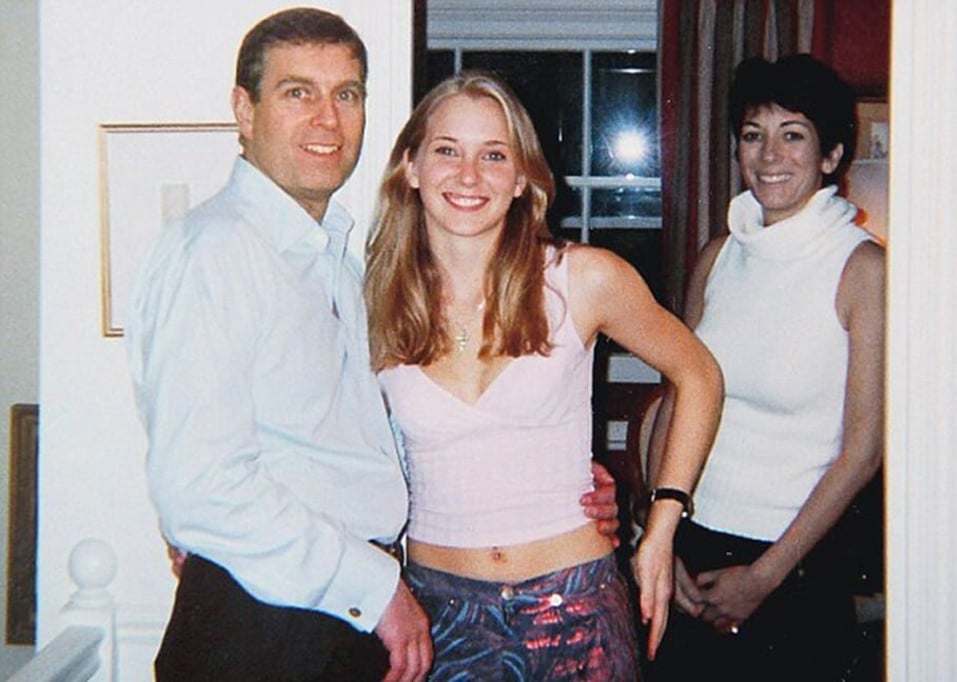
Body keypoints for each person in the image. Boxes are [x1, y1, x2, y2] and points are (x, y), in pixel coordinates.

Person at [125, 10, 622, 681]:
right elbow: (200, 486)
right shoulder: (215, 252)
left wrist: (545, 477)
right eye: (298, 92)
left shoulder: (342, 263)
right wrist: (376, 586)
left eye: (347, 94)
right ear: (244, 110)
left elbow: (363, 443)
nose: (327, 119)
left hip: (345, 615)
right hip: (266, 619)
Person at [364, 70, 723, 680]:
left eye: (493, 155)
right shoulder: (372, 300)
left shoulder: (582, 278)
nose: (469, 175)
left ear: (521, 179)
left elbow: (699, 375)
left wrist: (662, 524)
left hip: (577, 605)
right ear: (411, 167)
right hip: (438, 616)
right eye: (447, 150)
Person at [646, 54, 885, 681]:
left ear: (831, 155)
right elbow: (675, 402)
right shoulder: (718, 257)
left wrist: (765, 578)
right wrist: (659, 533)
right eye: (754, 134)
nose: (770, 154)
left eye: (793, 134)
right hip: (691, 542)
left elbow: (863, 450)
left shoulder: (863, 270)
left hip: (795, 563)